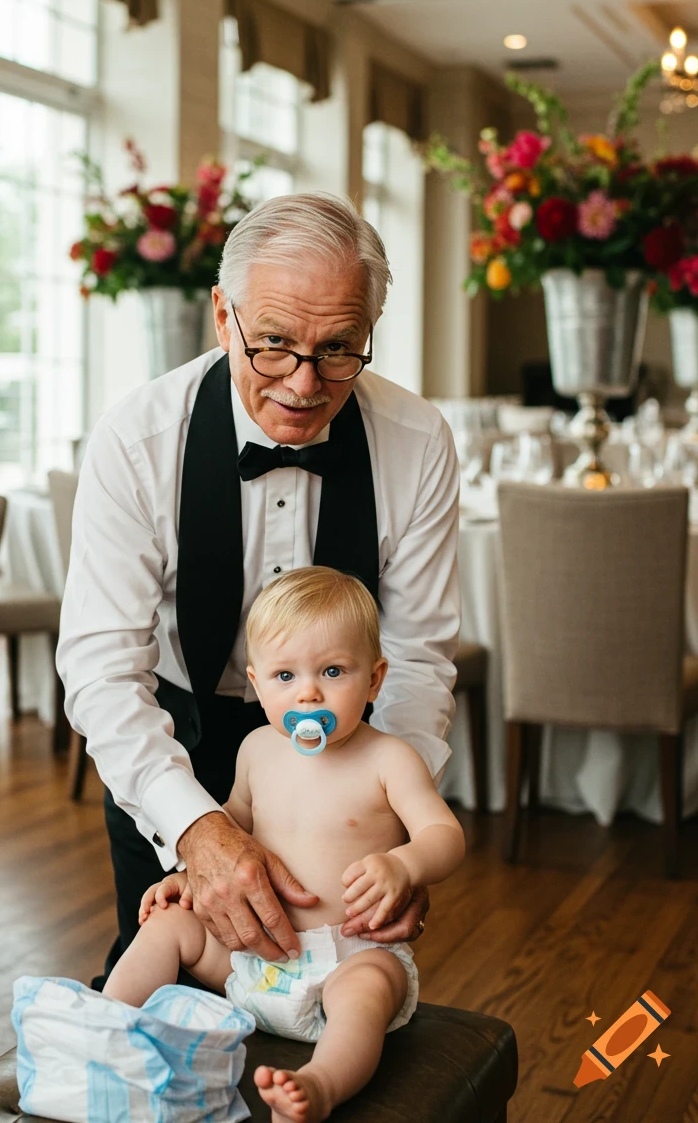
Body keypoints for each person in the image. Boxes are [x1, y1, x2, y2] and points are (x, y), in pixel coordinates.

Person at [57, 192, 461, 986]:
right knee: (164, 984)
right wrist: (195, 830)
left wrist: (398, 844)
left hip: (345, 755)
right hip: (176, 741)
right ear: (222, 315)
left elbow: (416, 661)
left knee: (328, 995)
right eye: (273, 344)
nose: (305, 383)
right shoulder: (138, 440)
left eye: (339, 348)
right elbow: (104, 672)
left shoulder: (417, 443)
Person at [102, 567, 466, 1123]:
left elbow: (445, 835)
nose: (308, 692)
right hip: (255, 962)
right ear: (256, 681)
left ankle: (318, 1086)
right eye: (284, 675)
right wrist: (184, 876)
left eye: (333, 671)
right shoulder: (256, 750)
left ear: (374, 680)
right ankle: (103, 1028)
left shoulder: (389, 759)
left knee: (367, 997)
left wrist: (404, 864)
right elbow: (227, 829)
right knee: (167, 927)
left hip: (352, 956)